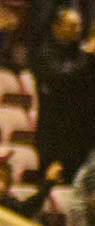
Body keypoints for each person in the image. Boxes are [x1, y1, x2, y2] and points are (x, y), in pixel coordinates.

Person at [31, 5, 95, 180]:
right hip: (54, 132)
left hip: (79, 132)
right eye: (71, 26)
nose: (77, 30)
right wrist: (88, 56)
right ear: (56, 27)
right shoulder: (45, 52)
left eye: (78, 26)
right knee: (52, 177)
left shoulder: (79, 53)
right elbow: (62, 79)